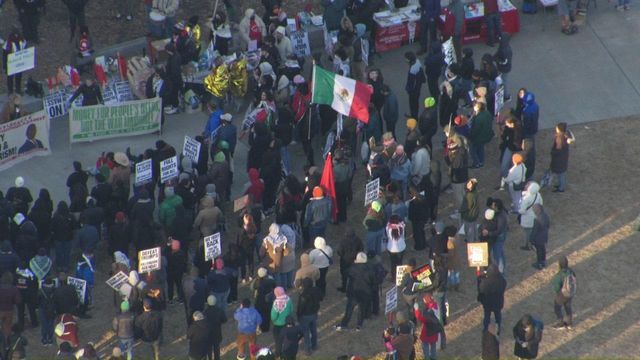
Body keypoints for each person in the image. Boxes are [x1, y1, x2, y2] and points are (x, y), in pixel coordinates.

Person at [335, 252, 376, 331]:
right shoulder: (370, 269)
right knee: (362, 309)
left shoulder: (352, 268)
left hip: (353, 292)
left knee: (349, 309)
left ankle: (344, 324)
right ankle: (359, 325)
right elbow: (373, 281)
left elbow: (346, 273)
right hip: (365, 293)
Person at [547, 122, 575, 193]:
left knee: (561, 174)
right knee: (562, 173)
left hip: (559, 159)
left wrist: (552, 153)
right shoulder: (566, 134)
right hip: (564, 157)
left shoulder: (559, 138)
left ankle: (561, 188)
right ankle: (561, 186)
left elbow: (557, 150)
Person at [478, 264, 506, 333]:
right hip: (498, 302)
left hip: (488, 303)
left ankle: (486, 328)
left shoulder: (485, 281)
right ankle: (498, 327)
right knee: (497, 316)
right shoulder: (501, 279)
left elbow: (481, 290)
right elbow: (504, 285)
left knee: (487, 316)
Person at [414, 292, 443, 360]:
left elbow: (422, 319)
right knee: (433, 345)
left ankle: (427, 358)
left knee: (425, 345)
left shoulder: (429, 311)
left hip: (428, 330)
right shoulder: (435, 305)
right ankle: (433, 357)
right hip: (435, 329)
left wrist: (416, 310)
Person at [551, 256, 576, 330]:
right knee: (568, 306)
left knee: (557, 307)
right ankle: (569, 323)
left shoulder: (560, 275)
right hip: (571, 293)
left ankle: (560, 323)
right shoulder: (571, 271)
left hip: (563, 294)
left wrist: (558, 293)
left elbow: (557, 287)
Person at [469, 101, 494, 168]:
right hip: (486, 135)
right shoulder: (487, 113)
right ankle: (481, 161)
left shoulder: (478, 118)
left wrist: (470, 137)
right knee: (481, 148)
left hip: (479, 137)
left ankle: (476, 163)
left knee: (472, 150)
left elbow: (475, 130)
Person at [518, 182, 543, 251]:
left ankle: (529, 245)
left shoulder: (526, 198)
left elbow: (521, 210)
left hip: (527, 218)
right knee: (532, 231)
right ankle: (531, 244)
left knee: (528, 232)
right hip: (535, 216)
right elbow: (541, 204)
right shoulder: (538, 195)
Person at [3, 28, 27, 94]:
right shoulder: (8, 43)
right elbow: (4, 55)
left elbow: (25, 51)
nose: (16, 36)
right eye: (15, 35)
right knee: (10, 78)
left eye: (17, 34)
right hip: (10, 63)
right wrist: (5, 65)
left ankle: (18, 90)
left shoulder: (22, 41)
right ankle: (10, 91)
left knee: (18, 76)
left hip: (19, 62)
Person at [271, 287, 293, 358]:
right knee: (287, 339)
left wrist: (273, 320)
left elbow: (274, 315)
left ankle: (278, 353)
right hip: (287, 323)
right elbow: (291, 309)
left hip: (278, 325)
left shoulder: (276, 302)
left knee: (278, 341)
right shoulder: (288, 299)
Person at [203, 295, 227, 360]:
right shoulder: (219, 310)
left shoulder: (205, 312)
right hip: (217, 333)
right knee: (216, 348)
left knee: (209, 349)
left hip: (208, 335)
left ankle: (210, 358)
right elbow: (225, 320)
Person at [405, 52, 426, 119]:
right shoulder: (417, 61)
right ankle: (415, 115)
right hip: (418, 87)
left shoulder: (412, 70)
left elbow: (411, 82)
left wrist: (409, 90)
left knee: (413, 103)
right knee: (415, 103)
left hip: (414, 91)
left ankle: (414, 117)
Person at [0, 272, 21, 337]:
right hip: (9, 310)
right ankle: (6, 344)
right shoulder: (14, 289)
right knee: (7, 327)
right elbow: (18, 301)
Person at [530, 204, 550, 270]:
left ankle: (540, 264)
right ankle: (543, 261)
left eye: (534, 210)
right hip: (544, 236)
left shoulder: (537, 219)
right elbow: (548, 225)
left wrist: (531, 240)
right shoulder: (546, 215)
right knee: (543, 249)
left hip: (538, 239)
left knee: (539, 251)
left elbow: (534, 231)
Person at [460, 178, 479, 242]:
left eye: (470, 184)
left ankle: (470, 242)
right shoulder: (475, 192)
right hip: (474, 214)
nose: (468, 184)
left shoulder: (469, 195)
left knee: (469, 230)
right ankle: (476, 239)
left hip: (469, 215)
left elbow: (467, 206)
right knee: (474, 228)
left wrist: (460, 210)